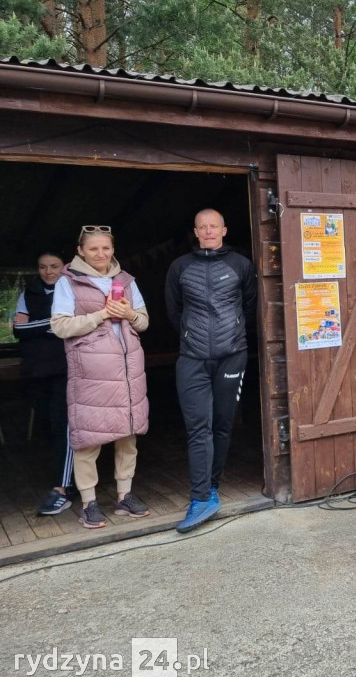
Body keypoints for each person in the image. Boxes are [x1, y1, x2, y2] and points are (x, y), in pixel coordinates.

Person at [51, 226, 150, 529]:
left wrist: (129, 314)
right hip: (92, 375)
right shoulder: (69, 282)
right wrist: (102, 315)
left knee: (127, 435)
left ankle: (124, 496)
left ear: (112, 249)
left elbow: (144, 322)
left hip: (128, 371)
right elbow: (60, 326)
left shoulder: (126, 281)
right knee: (88, 440)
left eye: (105, 248)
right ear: (80, 250)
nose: (101, 254)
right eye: (93, 248)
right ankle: (89, 503)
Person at [165, 209, 257, 533]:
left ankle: (213, 486)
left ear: (224, 229)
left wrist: (230, 338)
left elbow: (249, 307)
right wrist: (193, 338)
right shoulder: (180, 267)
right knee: (197, 427)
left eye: (213, 226)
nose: (208, 231)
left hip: (232, 357)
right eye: (202, 227)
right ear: (195, 231)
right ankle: (201, 497)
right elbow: (174, 312)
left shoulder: (240, 266)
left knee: (222, 424)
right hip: (192, 359)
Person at [13, 249, 73, 515]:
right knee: (46, 426)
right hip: (36, 371)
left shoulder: (73, 290)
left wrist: (37, 326)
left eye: (54, 266)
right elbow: (17, 330)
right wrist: (54, 325)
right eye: (42, 267)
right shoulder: (28, 294)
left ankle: (63, 487)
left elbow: (76, 325)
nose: (48, 272)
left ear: (65, 266)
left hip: (65, 369)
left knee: (65, 426)